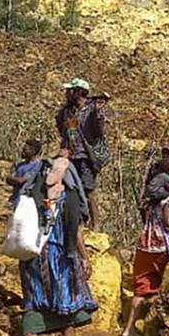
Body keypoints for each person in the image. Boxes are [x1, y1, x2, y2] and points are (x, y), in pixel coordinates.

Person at [19, 157, 97, 336]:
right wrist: (84, 258)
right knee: (66, 311)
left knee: (34, 305)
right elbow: (76, 231)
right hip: (60, 260)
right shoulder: (68, 198)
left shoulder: (32, 192)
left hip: (33, 257)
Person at [123, 157, 169, 336]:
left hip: (144, 245)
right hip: (161, 247)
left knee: (141, 288)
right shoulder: (168, 201)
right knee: (165, 285)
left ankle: (128, 329)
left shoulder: (152, 200)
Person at [55, 78, 107, 231]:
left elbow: (99, 132)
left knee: (88, 189)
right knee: (70, 188)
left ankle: (95, 224)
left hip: (85, 156)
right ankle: (76, 221)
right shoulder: (67, 111)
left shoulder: (92, 109)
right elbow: (61, 127)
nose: (67, 93)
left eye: (70, 90)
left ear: (78, 92)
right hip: (69, 156)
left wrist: (98, 115)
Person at [6, 139, 43, 209]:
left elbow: (21, 180)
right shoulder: (20, 164)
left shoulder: (37, 165)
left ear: (33, 151)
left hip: (25, 201)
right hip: (15, 199)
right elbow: (8, 179)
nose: (22, 152)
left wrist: (12, 179)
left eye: (25, 150)